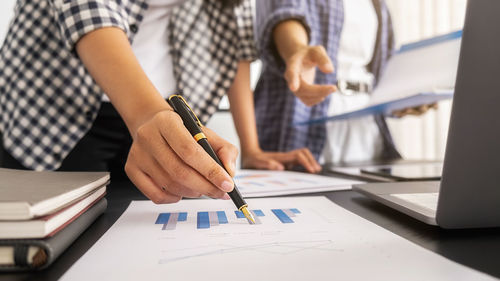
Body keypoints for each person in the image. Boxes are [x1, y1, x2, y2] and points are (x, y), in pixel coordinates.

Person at [0, 0, 316, 205]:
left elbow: (238, 52)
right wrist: (146, 114)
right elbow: (88, 11)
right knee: (64, 233)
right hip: (55, 106)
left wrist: (252, 147)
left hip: (164, 114)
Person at [254, 0, 434, 165]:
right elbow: (284, 15)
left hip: (366, 133)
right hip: (299, 125)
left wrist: (403, 98)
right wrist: (298, 50)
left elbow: (381, 68)